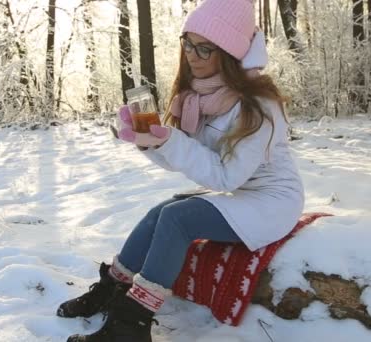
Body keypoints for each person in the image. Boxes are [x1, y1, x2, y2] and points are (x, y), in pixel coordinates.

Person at [58, 0, 304, 341]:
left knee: (179, 218)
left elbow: (225, 176)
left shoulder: (258, 105)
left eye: (205, 49)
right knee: (162, 211)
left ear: (230, 56)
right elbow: (186, 158)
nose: (192, 55)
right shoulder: (200, 98)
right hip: (243, 193)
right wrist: (149, 141)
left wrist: (170, 140)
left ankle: (130, 326)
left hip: (273, 202)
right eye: (188, 42)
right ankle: (110, 291)